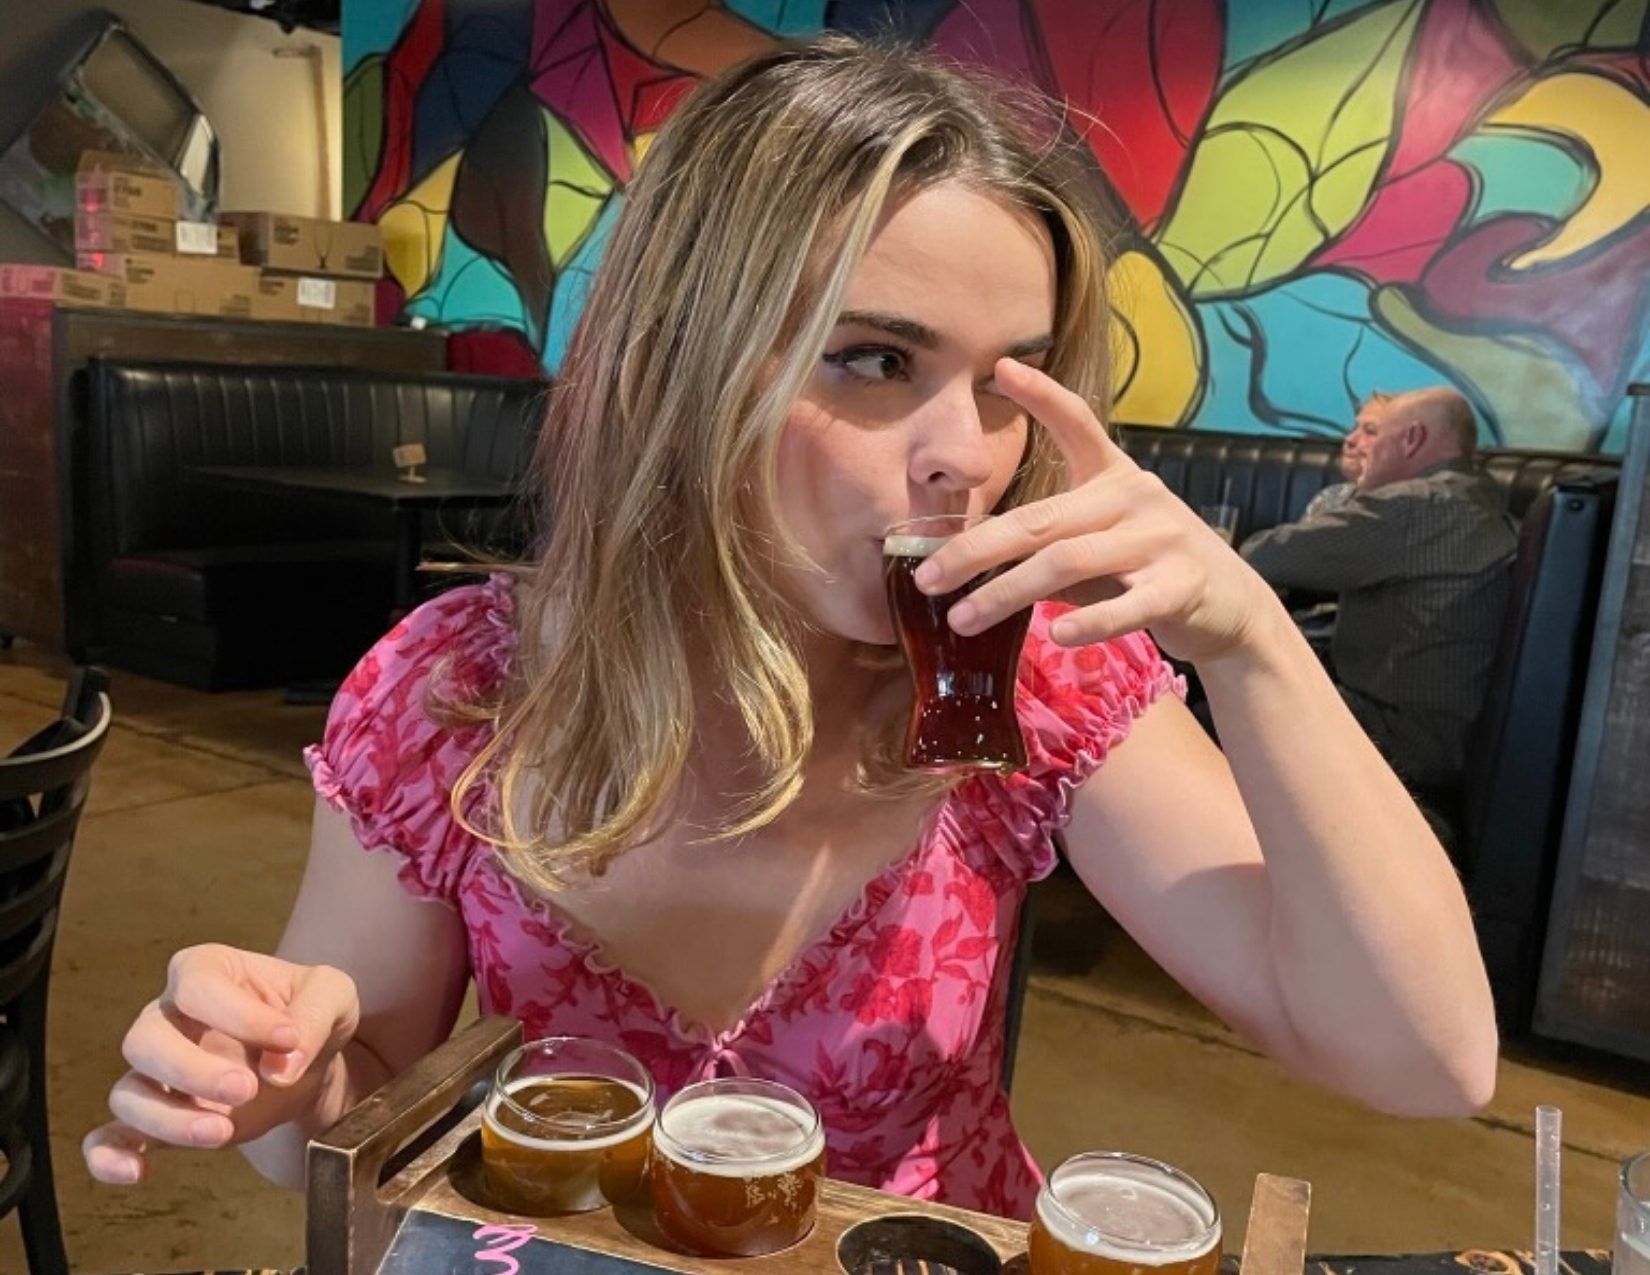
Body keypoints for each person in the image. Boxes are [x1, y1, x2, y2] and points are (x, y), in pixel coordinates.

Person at [83, 37, 1497, 1219]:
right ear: (679, 364)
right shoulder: (457, 691)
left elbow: (1422, 1061)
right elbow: (345, 1113)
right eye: (874, 360)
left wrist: (1247, 638)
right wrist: (277, 1080)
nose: (968, 455)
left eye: (1006, 383)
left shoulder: (1029, 679)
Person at [1241, 387, 1516, 793]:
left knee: (1214, 704)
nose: (1362, 448)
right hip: (1452, 738)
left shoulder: (1416, 505)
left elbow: (1265, 555)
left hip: (1402, 737)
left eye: (1376, 434)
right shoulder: (1477, 497)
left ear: (1411, 439)